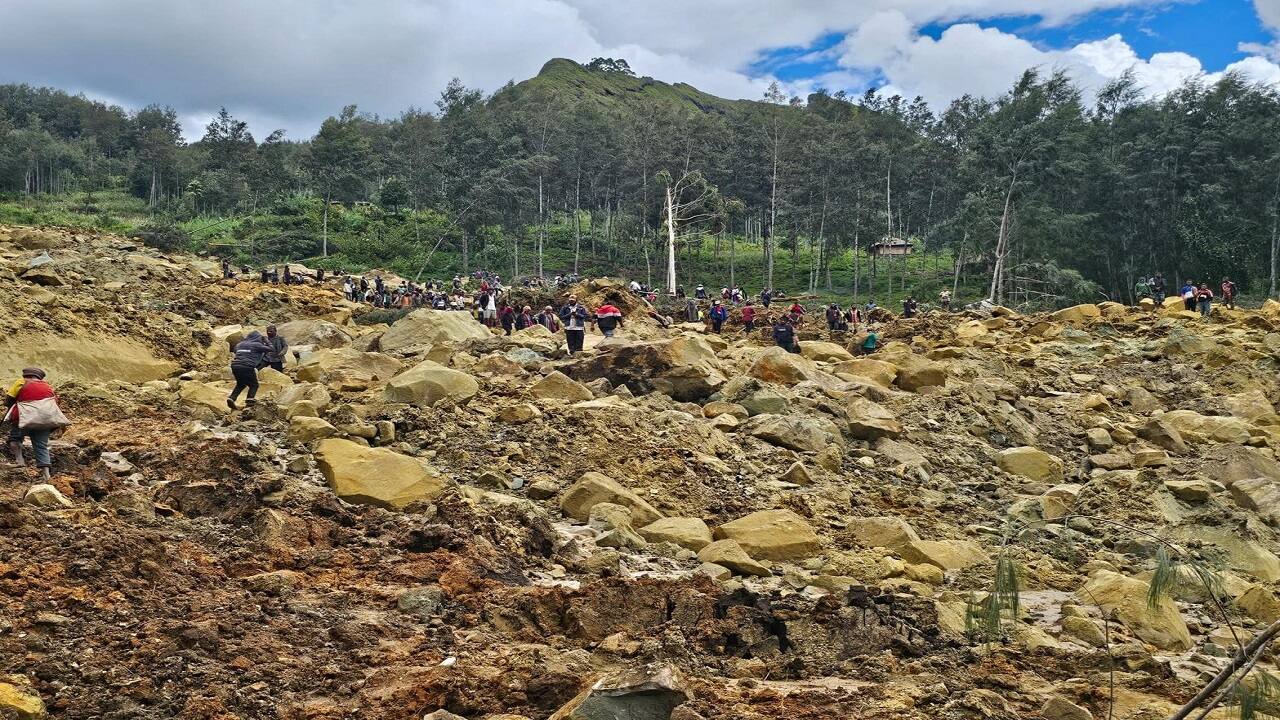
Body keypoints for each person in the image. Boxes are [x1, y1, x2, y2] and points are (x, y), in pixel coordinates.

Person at [4, 368, 64, 481]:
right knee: (41, 446)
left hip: (23, 418)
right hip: (45, 420)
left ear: (26, 375)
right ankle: (47, 476)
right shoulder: (48, 386)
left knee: (15, 439)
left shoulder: (21, 382)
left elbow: (8, 400)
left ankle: (20, 462)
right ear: (39, 377)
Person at [227, 331, 274, 410]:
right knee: (254, 385)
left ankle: (232, 398)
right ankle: (249, 403)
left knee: (241, 384)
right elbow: (272, 349)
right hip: (247, 366)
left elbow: (236, 351)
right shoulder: (257, 345)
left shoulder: (239, 344)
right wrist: (266, 340)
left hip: (235, 366)